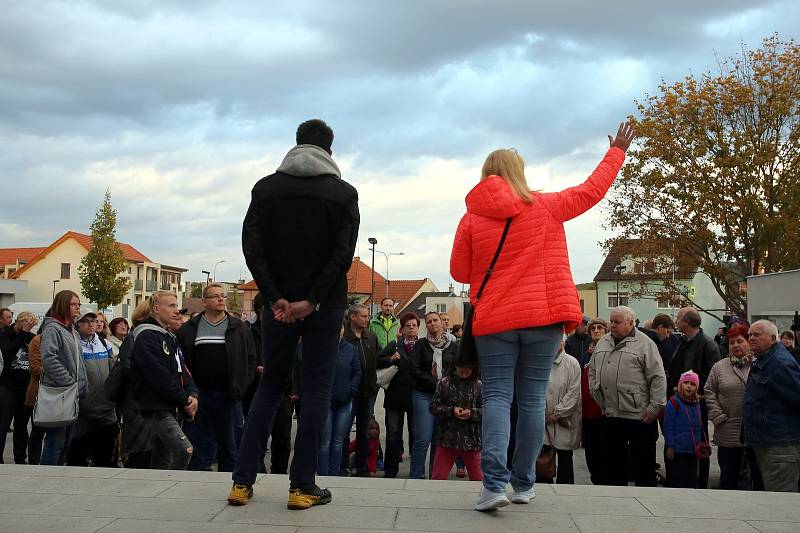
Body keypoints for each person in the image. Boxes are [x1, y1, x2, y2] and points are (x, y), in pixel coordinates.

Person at [450, 122, 636, 511]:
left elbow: (460, 273)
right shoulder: (546, 206)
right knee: (533, 401)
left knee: (498, 398)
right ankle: (523, 484)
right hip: (544, 318)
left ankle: (492, 485)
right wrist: (616, 151)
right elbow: (591, 191)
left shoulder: (471, 218)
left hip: (496, 321)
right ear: (519, 173)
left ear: (486, 175)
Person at [232, 118, 359, 510]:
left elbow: (252, 246)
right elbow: (343, 254)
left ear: (296, 145)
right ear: (330, 151)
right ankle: (302, 486)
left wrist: (275, 297)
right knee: (317, 388)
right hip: (325, 305)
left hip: (278, 306)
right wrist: (314, 299)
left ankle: (241, 483)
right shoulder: (343, 194)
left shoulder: (265, 189)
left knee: (270, 387)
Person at [177, 283, 257, 472]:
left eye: (223, 296)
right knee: (201, 442)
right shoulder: (190, 329)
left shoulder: (238, 327)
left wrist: (241, 387)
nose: (221, 299)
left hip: (229, 395)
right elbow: (181, 362)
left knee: (230, 444)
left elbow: (251, 359)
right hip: (199, 395)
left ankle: (230, 480)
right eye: (215, 296)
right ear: (204, 301)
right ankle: (199, 480)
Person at [588, 306, 666, 487]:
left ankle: (645, 502)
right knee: (614, 466)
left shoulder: (645, 344)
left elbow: (658, 377)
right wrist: (596, 392)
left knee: (643, 466)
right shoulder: (603, 342)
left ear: (631, 323)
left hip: (639, 416)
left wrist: (655, 407)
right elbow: (592, 371)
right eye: (611, 321)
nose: (612, 325)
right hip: (610, 414)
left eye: (617, 322)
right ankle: (617, 502)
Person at [128, 292, 199, 470]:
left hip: (170, 405)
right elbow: (157, 375)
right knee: (184, 450)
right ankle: (172, 489)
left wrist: (192, 394)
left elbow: (183, 369)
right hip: (156, 407)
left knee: (162, 457)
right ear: (157, 309)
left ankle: (157, 491)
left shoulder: (168, 336)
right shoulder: (146, 337)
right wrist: (183, 400)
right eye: (172, 306)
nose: (177, 311)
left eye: (177, 306)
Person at [742, 320, 800, 492]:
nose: (751, 338)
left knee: (780, 501)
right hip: (766, 442)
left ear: (773, 338)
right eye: (750, 334)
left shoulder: (779, 364)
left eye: (757, 334)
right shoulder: (764, 360)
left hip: (780, 447)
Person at [704, 322, 763, 490]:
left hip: (755, 431)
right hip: (727, 429)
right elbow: (709, 391)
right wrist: (717, 416)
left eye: (739, 341)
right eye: (731, 342)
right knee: (728, 477)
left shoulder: (759, 364)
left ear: (748, 342)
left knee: (755, 478)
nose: (735, 345)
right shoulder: (719, 367)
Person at [667, 307, 720, 489]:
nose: (676, 319)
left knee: (697, 442)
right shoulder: (683, 341)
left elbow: (712, 377)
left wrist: (690, 390)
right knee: (676, 441)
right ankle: (677, 479)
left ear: (687, 322)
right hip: (677, 402)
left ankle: (698, 481)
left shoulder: (707, 344)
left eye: (679, 317)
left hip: (695, 406)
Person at [38, 290, 87, 465]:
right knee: (55, 442)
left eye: (78, 304)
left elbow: (79, 361)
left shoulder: (72, 330)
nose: (77, 308)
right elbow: (49, 359)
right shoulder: (52, 328)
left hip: (72, 394)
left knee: (66, 442)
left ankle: (58, 477)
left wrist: (82, 385)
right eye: (73, 304)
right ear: (63, 304)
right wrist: (68, 382)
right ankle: (46, 479)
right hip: (60, 393)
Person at [409, 311, 457, 479]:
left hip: (445, 398)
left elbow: (457, 370)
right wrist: (436, 383)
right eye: (429, 321)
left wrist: (447, 385)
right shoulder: (420, 345)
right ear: (426, 326)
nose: (432, 323)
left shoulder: (453, 346)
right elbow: (414, 370)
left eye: (435, 320)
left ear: (442, 323)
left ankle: (435, 476)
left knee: (439, 440)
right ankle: (416, 475)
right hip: (423, 394)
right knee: (423, 438)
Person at [66, 312, 118, 467]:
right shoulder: (74, 345)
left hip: (106, 408)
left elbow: (114, 369)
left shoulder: (104, 343)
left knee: (105, 455)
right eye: (86, 321)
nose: (90, 325)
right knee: (78, 455)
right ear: (78, 324)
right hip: (82, 410)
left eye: (93, 321)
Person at [376, 312, 418, 478]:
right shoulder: (394, 345)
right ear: (402, 328)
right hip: (394, 398)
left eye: (414, 325)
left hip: (415, 397)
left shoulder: (422, 346)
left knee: (416, 435)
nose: (411, 328)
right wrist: (391, 359)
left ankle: (416, 470)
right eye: (408, 326)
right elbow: (377, 361)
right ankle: (390, 470)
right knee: (393, 435)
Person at [318, 322, 361, 476]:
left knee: (338, 441)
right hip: (325, 402)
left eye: (340, 328)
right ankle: (322, 473)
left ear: (344, 330)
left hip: (344, 402)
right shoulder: (320, 348)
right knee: (324, 442)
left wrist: (351, 390)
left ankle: (334, 473)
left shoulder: (350, 349)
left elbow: (357, 373)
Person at [429, 360, 483, 481]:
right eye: (461, 367)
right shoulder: (444, 383)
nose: (464, 371)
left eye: (468, 368)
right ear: (454, 366)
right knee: (438, 478)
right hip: (447, 438)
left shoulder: (478, 385)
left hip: (471, 439)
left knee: (479, 479)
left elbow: (487, 410)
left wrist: (472, 413)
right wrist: (451, 410)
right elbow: (433, 407)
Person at [343, 303, 380, 476]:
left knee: (364, 433)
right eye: (364, 316)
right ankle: (342, 466)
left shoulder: (371, 337)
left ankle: (362, 467)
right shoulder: (344, 337)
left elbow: (377, 360)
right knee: (343, 431)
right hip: (349, 394)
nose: (367, 319)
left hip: (368, 393)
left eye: (368, 316)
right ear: (352, 317)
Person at [542, 335, 582, 484]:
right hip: (543, 418)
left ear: (563, 343)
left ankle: (566, 487)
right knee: (544, 457)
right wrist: (543, 412)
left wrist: (558, 413)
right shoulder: (540, 360)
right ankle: (543, 485)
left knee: (565, 456)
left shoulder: (572, 363)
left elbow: (574, 393)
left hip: (565, 419)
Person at [0, 311, 38, 464]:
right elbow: (8, 352)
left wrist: (27, 334)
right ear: (20, 321)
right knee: (2, 424)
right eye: (29, 323)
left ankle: (20, 458)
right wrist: (23, 333)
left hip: (25, 388)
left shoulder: (29, 337)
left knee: (22, 427)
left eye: (32, 324)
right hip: (7, 387)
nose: (30, 326)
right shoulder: (5, 334)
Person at [663, 371, 705, 488]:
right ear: (680, 385)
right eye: (686, 383)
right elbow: (668, 426)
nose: (689, 386)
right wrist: (670, 445)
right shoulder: (673, 403)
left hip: (693, 450)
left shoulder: (697, 404)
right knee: (678, 480)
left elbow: (698, 427)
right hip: (678, 450)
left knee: (691, 480)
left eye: (692, 384)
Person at [582, 318, 609, 485]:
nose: (596, 331)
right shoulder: (586, 353)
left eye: (600, 328)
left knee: (604, 451)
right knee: (590, 452)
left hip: (604, 412)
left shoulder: (609, 352)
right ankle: (596, 480)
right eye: (593, 328)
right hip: (587, 412)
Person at [24, 314, 47, 465]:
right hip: (40, 393)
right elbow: (35, 369)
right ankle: (34, 462)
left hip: (62, 393)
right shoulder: (38, 340)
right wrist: (59, 370)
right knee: (38, 431)